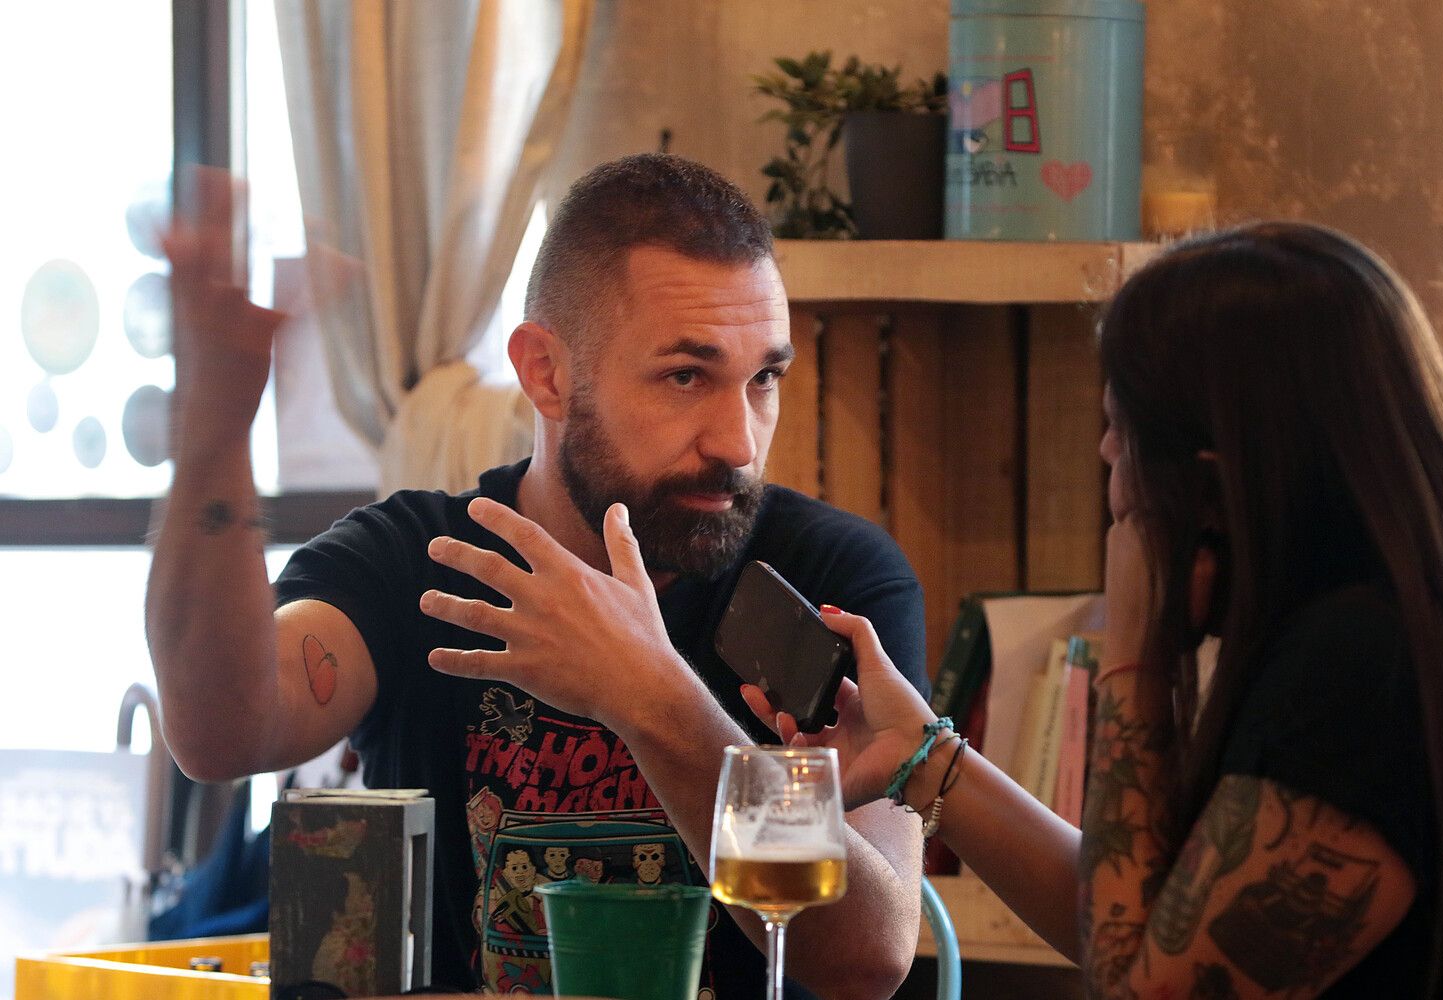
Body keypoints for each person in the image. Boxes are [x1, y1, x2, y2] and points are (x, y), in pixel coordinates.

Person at [146, 154, 929, 998]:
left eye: (764, 379)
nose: (738, 443)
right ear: (547, 374)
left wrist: (651, 693)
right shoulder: (426, 562)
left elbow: (868, 960)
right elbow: (219, 732)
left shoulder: (832, 580)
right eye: (685, 376)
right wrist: (214, 437)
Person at [747, 222, 1443, 997]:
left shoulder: (1363, 671)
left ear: (1208, 480)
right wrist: (920, 754)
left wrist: (1135, 645)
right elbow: (1131, 919)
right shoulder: (1403, 625)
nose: (1105, 456)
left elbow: (1138, 984)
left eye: (1117, 428)